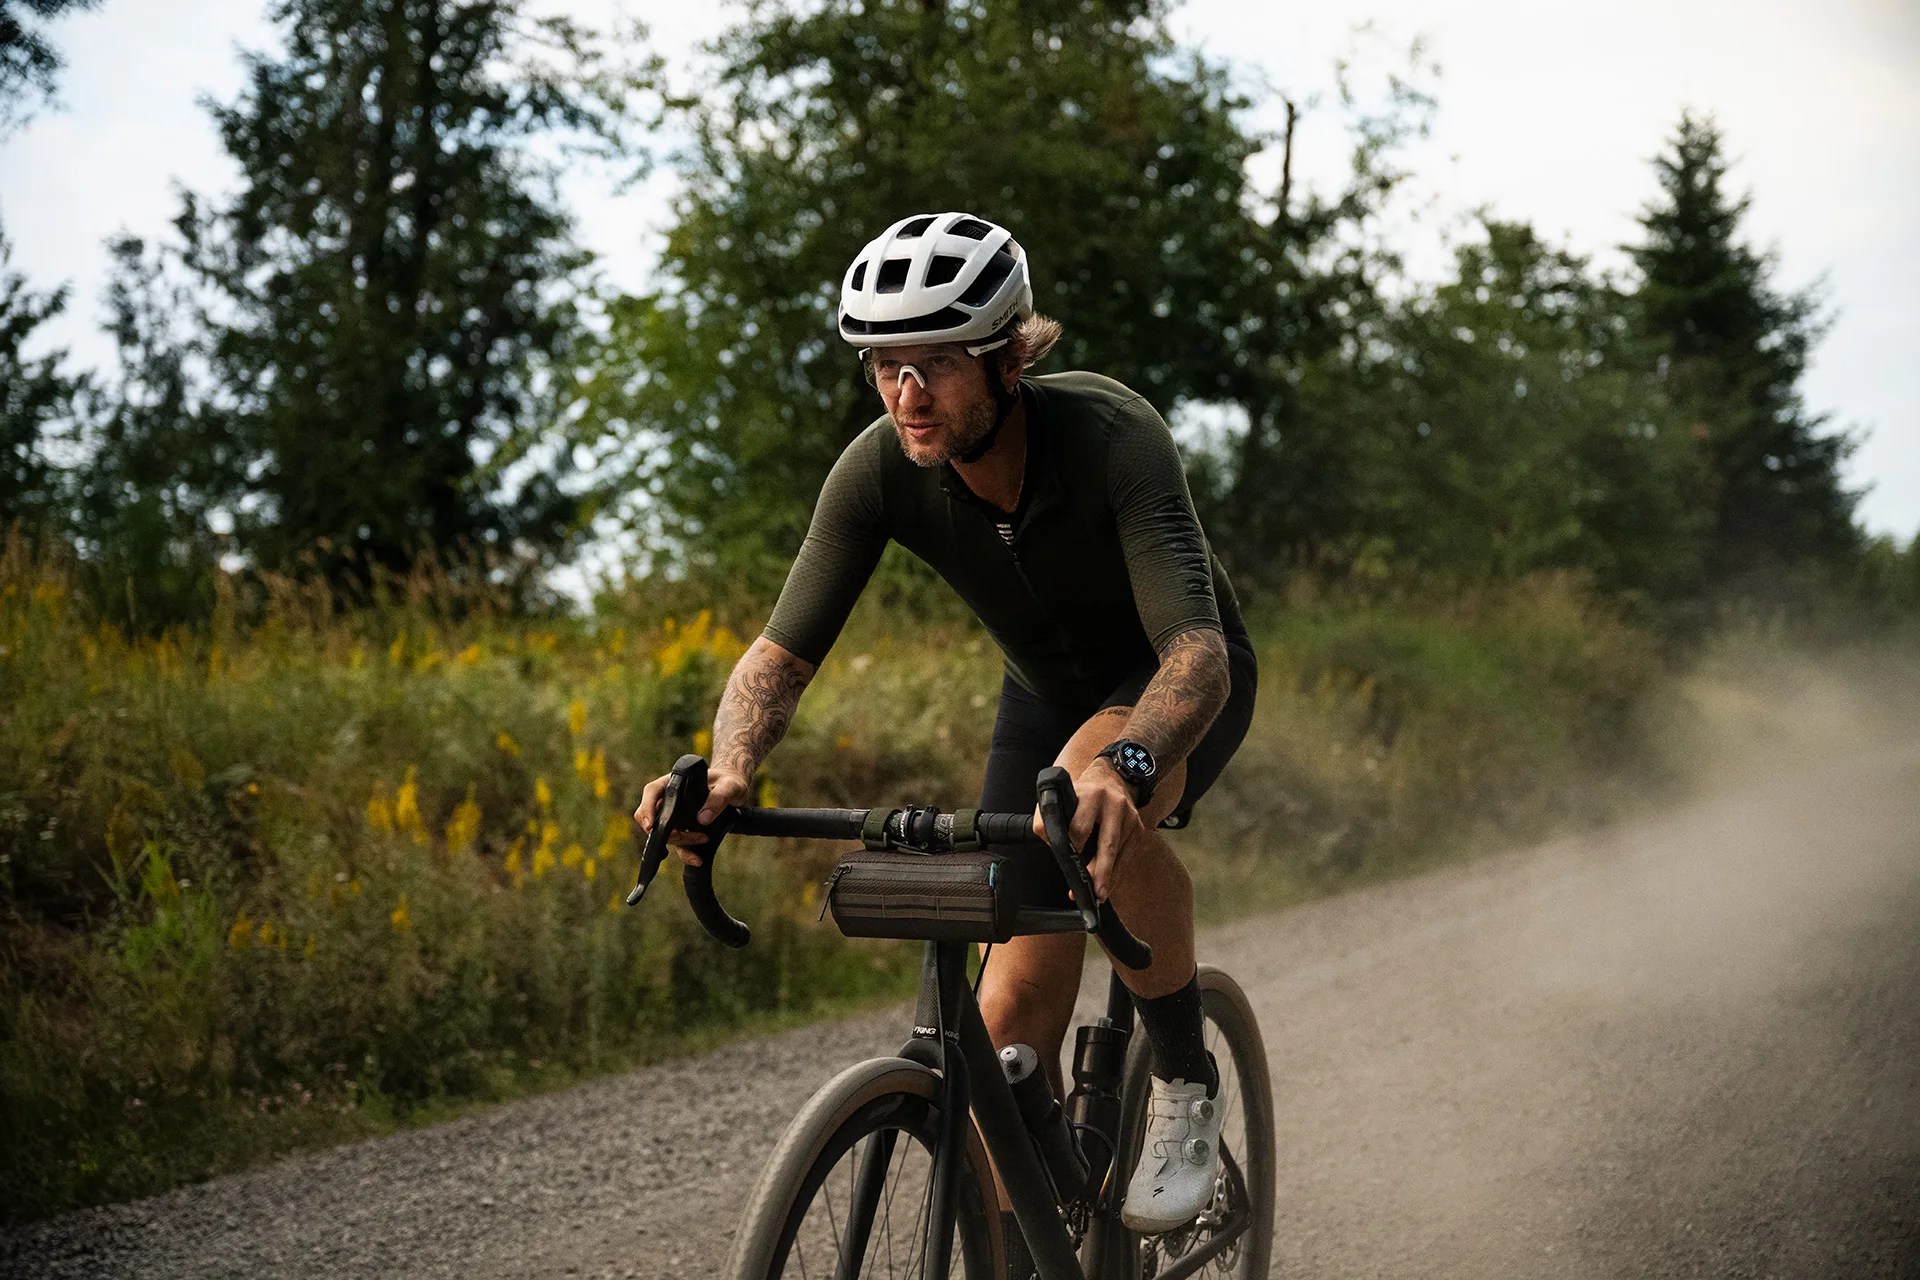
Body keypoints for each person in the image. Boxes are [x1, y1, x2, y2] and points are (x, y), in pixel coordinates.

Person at [635, 211, 1258, 1253]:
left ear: (1010, 355)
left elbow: (1197, 651)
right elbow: (777, 658)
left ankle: (1186, 1072)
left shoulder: (1113, 436)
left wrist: (1133, 761)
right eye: (885, 364)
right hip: (1042, 696)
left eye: (936, 364)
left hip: (1172, 676)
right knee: (1004, 1026)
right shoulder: (880, 468)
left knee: (1091, 790)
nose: (905, 394)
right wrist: (730, 772)